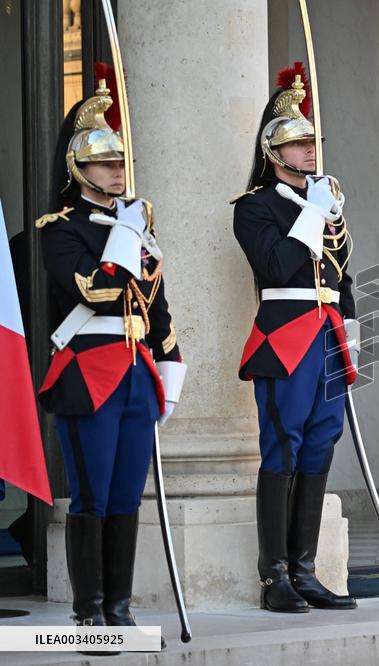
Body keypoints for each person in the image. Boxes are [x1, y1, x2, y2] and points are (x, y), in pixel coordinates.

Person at [35, 65, 187, 629]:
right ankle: (89, 612)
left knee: (126, 495)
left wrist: (169, 369)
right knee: (93, 495)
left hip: (136, 375)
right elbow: (95, 291)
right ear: (79, 168)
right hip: (88, 372)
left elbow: (157, 309)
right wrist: (125, 232)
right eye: (105, 162)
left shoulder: (136, 227)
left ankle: (119, 608)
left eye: (121, 161)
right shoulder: (61, 228)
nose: (118, 170)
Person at [232, 63, 358, 612]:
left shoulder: (324, 203)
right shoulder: (255, 207)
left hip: (327, 334)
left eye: (312, 143)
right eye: (299, 144)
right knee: (282, 445)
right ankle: (274, 575)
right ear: (273, 152)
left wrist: (351, 334)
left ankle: (304, 569)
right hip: (285, 335)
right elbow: (278, 265)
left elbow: (342, 277)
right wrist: (313, 214)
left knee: (321, 441)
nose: (310, 150)